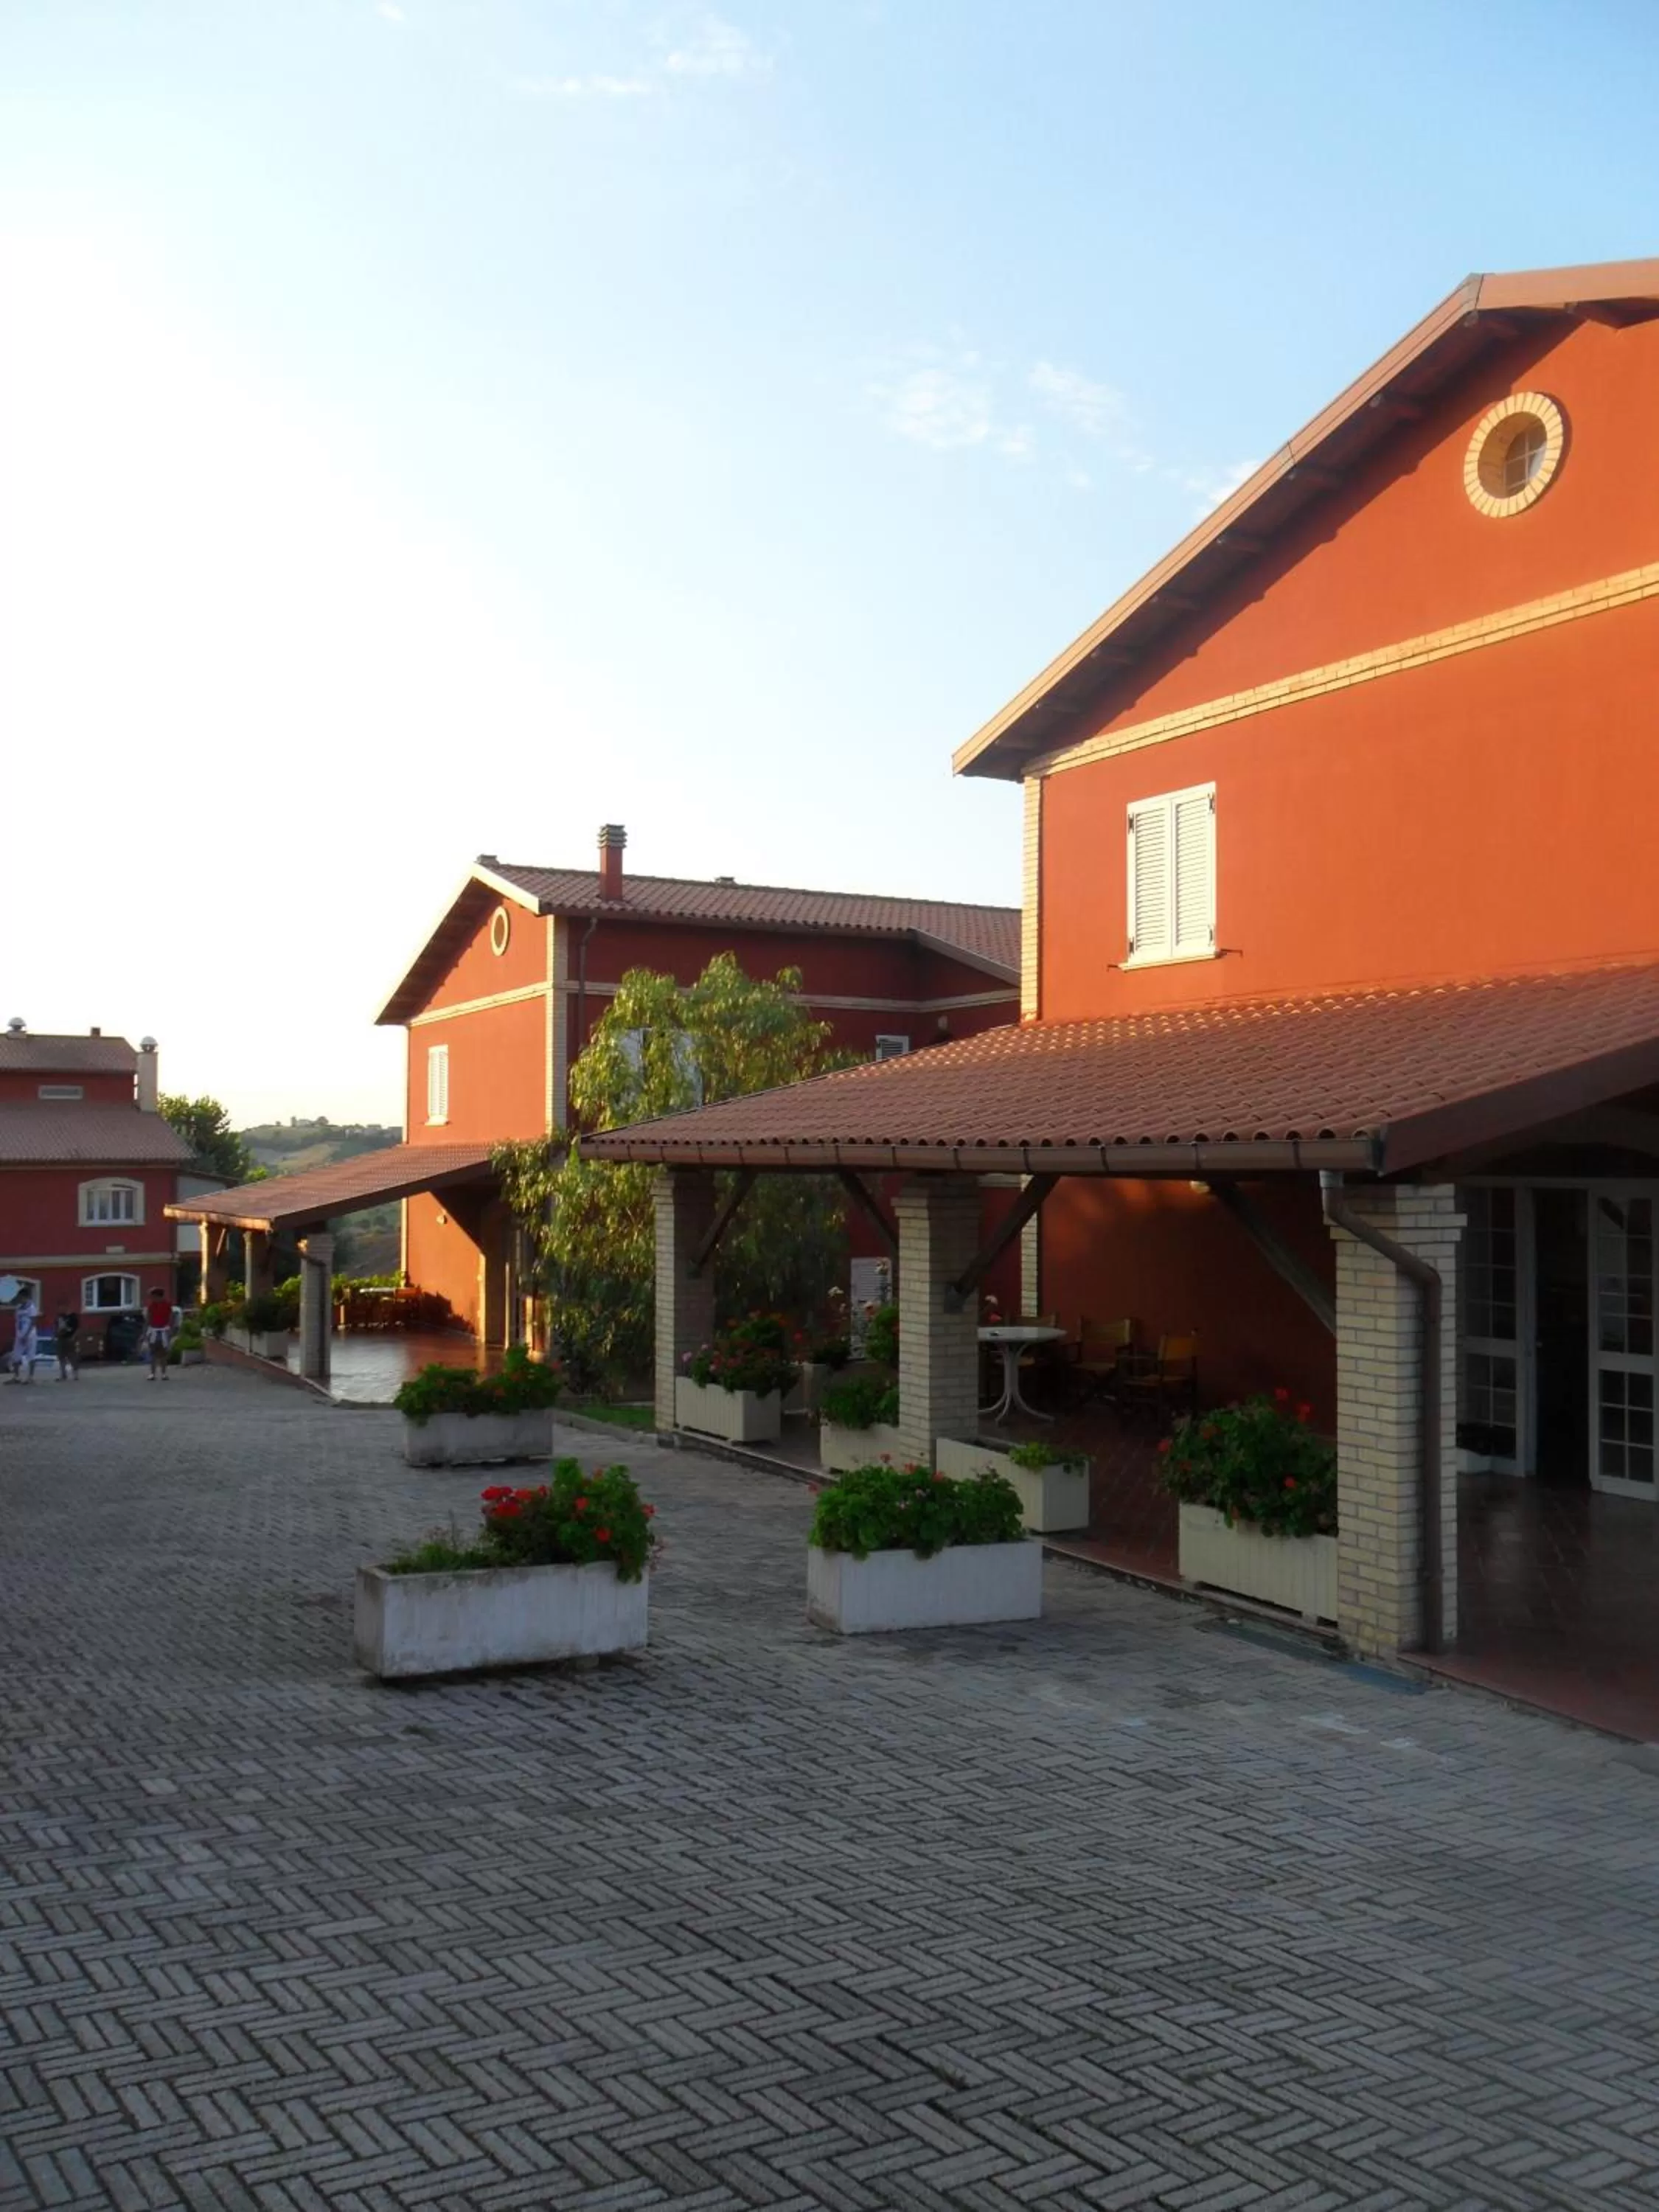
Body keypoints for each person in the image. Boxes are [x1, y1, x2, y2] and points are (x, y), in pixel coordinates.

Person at [6, 1289, 38, 1383]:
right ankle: (16, 1377)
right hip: (20, 1334)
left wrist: (27, 1335)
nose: (20, 1299)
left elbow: (33, 1322)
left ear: (26, 1297)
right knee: (16, 1355)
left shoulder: (31, 1307)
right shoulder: (19, 1308)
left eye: (21, 1297)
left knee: (31, 1355)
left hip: (30, 1334)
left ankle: (31, 1377)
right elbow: (17, 1321)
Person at [143, 1284, 173, 1380]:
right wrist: (145, 1332)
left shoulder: (167, 1305)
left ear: (157, 1296)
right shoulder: (151, 1306)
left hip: (164, 1330)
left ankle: (164, 1373)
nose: (151, 1298)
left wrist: (170, 1329)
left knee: (163, 1353)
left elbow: (171, 1318)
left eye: (153, 1296)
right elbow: (148, 1319)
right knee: (153, 1353)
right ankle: (153, 1373)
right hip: (154, 1330)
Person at [55, 1308, 80, 1382]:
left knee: (72, 1356)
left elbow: (77, 1329)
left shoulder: (73, 1318)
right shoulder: (59, 1318)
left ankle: (75, 1374)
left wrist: (73, 1337)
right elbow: (56, 1328)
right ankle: (63, 1374)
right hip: (61, 1339)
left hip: (69, 1338)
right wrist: (55, 1335)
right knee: (61, 1357)